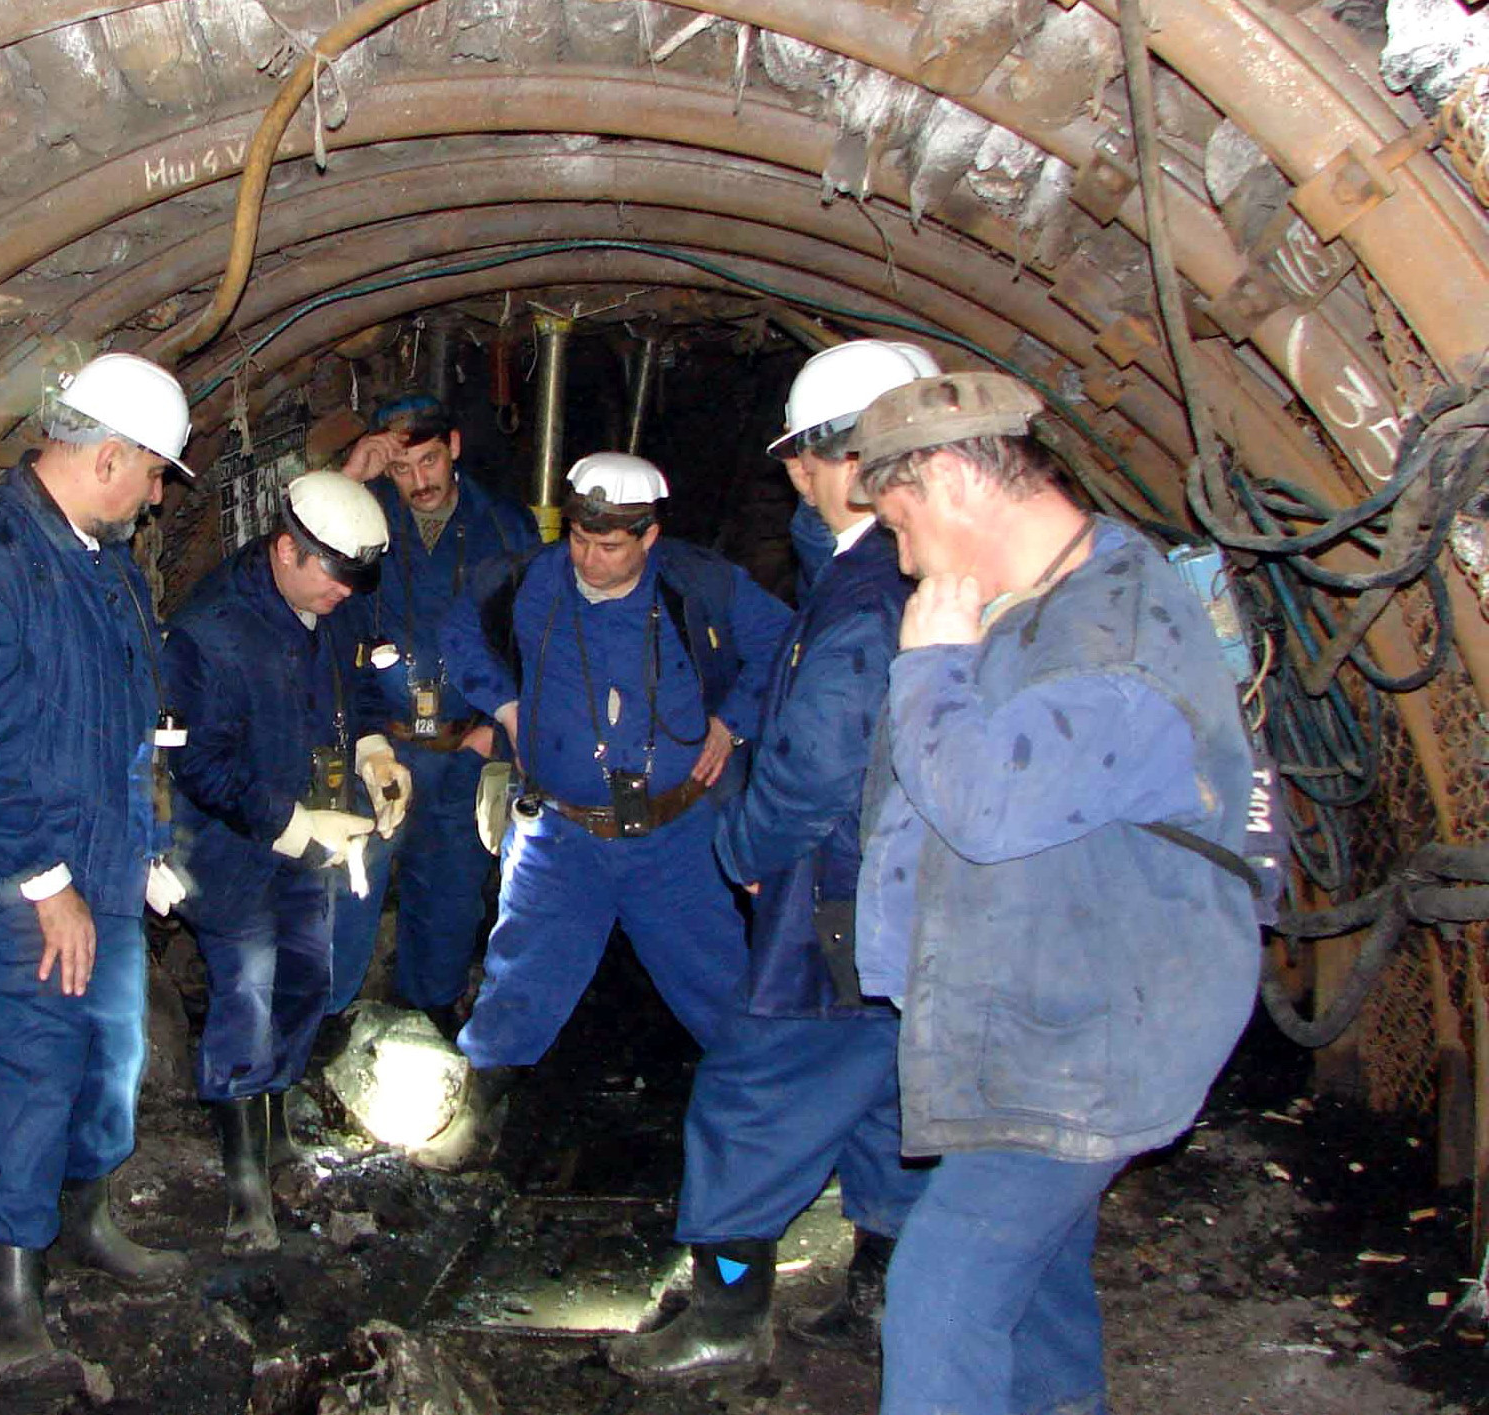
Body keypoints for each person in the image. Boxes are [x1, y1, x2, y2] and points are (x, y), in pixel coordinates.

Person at [849, 372, 1260, 1414]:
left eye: (900, 525)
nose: (903, 559)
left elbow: (985, 802)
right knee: (1038, 1284)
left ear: (947, 477)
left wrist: (930, 666)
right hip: (1043, 1014)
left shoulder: (1110, 637)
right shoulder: (1041, 604)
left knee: (940, 1294)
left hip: (1093, 1038)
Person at [607, 341, 939, 1382]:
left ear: (815, 461)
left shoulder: (864, 592)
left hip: (840, 892)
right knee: (886, 1078)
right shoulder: (886, 568)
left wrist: (741, 842)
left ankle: (727, 1310)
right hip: (898, 892)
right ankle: (886, 1286)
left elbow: (821, 759)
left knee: (756, 1085)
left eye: (801, 460)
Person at [0, 352, 195, 1368]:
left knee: (115, 1045)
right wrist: (49, 885)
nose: (159, 494)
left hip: (103, 851)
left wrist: (147, 843)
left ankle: (85, 1212)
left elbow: (125, 721)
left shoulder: (105, 563)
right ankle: (11, 1274)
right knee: (43, 1055)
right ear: (108, 455)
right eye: (156, 471)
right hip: (14, 862)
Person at [426, 451, 791, 1168]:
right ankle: (474, 1115)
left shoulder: (700, 585)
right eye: (581, 540)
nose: (590, 559)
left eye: (610, 544)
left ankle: (770, 1129)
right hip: (562, 838)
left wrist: (733, 720)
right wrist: (504, 704)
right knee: (521, 977)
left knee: (723, 987)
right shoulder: (530, 582)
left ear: (648, 537)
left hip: (675, 836)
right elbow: (459, 630)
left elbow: (784, 643)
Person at [165, 470, 403, 1254]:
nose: (341, 598)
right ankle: (244, 1189)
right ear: (286, 550)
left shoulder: (331, 604)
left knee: (307, 980)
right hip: (231, 848)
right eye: (332, 582)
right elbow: (200, 764)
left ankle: (274, 1140)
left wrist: (372, 751)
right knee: (247, 991)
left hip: (312, 838)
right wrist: (298, 822)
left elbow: (359, 680)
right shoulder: (212, 632)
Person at [326, 392, 538, 1037]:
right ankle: (329, 1013)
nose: (418, 482)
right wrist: (350, 480)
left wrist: (492, 731)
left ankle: (430, 1005)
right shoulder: (361, 518)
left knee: (451, 883)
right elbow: (315, 592)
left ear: (454, 449)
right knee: (353, 879)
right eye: (401, 469)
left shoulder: (505, 527)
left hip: (468, 741)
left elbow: (530, 634)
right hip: (381, 742)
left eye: (428, 462)